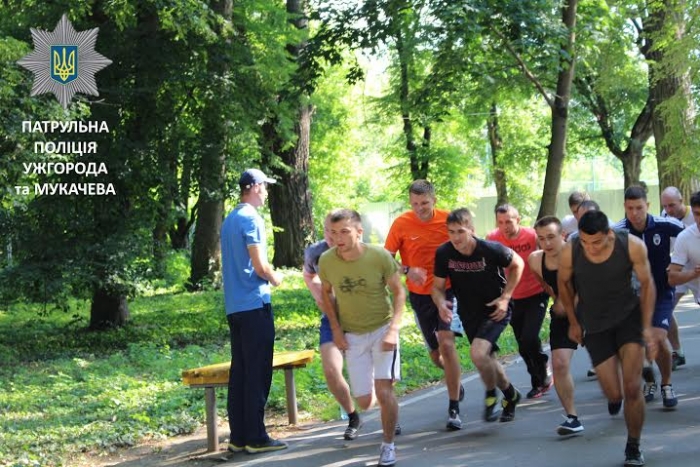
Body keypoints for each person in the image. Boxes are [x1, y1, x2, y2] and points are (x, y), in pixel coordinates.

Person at [558, 210, 656, 467]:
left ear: (609, 234)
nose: (590, 248)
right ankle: (616, 398)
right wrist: (573, 321)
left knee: (632, 387)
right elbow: (563, 284)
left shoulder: (631, 245)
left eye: (597, 242)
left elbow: (647, 284)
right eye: (586, 242)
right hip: (595, 323)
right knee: (614, 392)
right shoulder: (571, 249)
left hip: (629, 319)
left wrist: (647, 327)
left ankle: (633, 446)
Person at [319, 209, 405, 467]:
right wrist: (335, 329)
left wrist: (394, 329)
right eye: (333, 233)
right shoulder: (326, 261)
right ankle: (388, 407)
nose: (338, 239)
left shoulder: (378, 256)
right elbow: (326, 293)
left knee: (383, 389)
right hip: (353, 334)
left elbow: (399, 292)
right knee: (366, 401)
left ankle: (388, 446)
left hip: (382, 329)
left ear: (359, 232)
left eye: (344, 232)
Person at [384, 179, 465, 430]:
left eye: (425, 203)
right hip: (420, 295)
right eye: (415, 203)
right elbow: (386, 259)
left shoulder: (447, 220)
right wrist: (407, 269)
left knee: (447, 343)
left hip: (448, 290)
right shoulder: (401, 223)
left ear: (434, 201)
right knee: (435, 355)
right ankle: (455, 380)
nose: (420, 208)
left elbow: (466, 246)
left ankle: (454, 408)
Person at [432, 208, 524, 424]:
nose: (456, 237)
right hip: (468, 311)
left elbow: (518, 263)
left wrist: (505, 297)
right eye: (451, 232)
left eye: (460, 231)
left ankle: (491, 393)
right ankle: (511, 395)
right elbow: (437, 287)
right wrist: (440, 303)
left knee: (478, 354)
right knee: (487, 360)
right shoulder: (444, 253)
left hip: (495, 308)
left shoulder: (490, 249)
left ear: (472, 230)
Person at [221, 168, 287, 454]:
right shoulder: (251, 218)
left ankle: (238, 437)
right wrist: (276, 278)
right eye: (265, 186)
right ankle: (257, 437)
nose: (267, 191)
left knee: (241, 371)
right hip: (254, 304)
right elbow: (259, 265)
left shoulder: (230, 219)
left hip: (235, 307)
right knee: (258, 372)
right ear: (255, 187)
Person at [613, 186, 683, 408]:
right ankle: (650, 380)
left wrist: (683, 269)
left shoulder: (666, 225)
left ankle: (667, 385)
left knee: (659, 337)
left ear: (648, 206)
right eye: (630, 208)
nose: (635, 213)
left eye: (639, 208)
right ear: (625, 207)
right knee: (638, 343)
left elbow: (691, 238)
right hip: (632, 296)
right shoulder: (618, 232)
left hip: (662, 291)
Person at [303, 213, 360, 440]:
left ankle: (387, 411)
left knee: (372, 376)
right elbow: (308, 275)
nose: (332, 236)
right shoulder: (315, 252)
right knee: (330, 370)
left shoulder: (360, 250)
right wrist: (318, 294)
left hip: (361, 317)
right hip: (331, 318)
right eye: (328, 231)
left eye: (337, 231)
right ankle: (353, 416)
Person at [487, 204, 551, 398]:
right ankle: (540, 372)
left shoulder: (532, 236)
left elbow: (548, 255)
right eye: (500, 222)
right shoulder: (493, 239)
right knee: (522, 343)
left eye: (509, 221)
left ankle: (540, 380)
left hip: (536, 293)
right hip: (512, 297)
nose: (505, 226)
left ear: (518, 219)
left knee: (530, 337)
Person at [528, 216, 583, 436]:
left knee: (610, 368)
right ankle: (572, 417)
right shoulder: (535, 260)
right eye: (541, 239)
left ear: (562, 235)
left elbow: (593, 285)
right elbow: (547, 285)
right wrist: (560, 301)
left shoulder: (579, 254)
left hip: (593, 311)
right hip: (563, 316)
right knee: (559, 364)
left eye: (551, 237)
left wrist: (569, 302)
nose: (547, 243)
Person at [660, 186, 694, 369]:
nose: (668, 210)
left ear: (682, 201)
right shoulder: (664, 219)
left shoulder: (694, 215)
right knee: (665, 309)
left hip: (697, 270)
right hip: (679, 271)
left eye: (671, 205)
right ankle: (677, 352)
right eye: (665, 206)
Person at [668, 190, 700, 315]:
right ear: (692, 212)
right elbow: (672, 277)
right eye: (697, 214)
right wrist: (694, 273)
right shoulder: (685, 238)